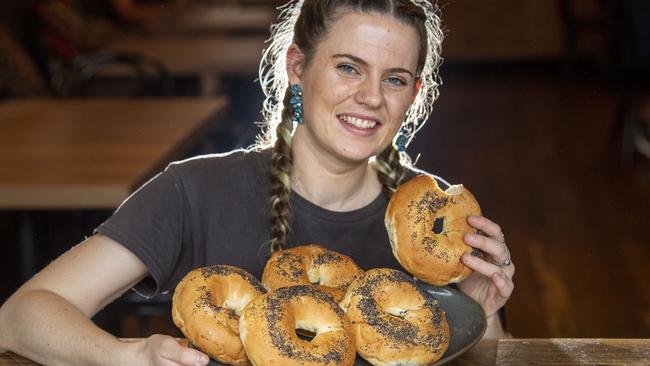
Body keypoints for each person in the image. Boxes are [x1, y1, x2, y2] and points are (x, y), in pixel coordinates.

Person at [0, 0, 515, 364]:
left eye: (394, 79)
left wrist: (481, 309)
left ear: (414, 94)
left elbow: (474, 354)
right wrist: (123, 356)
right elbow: (19, 315)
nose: (372, 97)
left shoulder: (438, 221)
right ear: (297, 67)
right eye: (348, 68)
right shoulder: (196, 191)